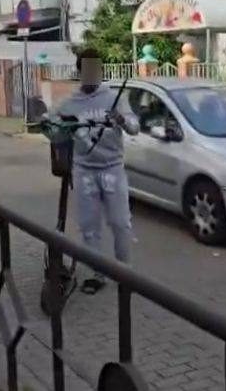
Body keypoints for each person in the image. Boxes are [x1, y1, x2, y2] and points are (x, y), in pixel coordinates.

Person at [53, 48, 139, 295]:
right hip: (84, 171)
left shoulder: (114, 98)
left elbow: (134, 127)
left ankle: (125, 274)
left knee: (121, 223)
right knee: (89, 227)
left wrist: (121, 120)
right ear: (80, 73)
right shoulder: (70, 103)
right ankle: (96, 275)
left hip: (113, 168)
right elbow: (55, 132)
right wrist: (61, 127)